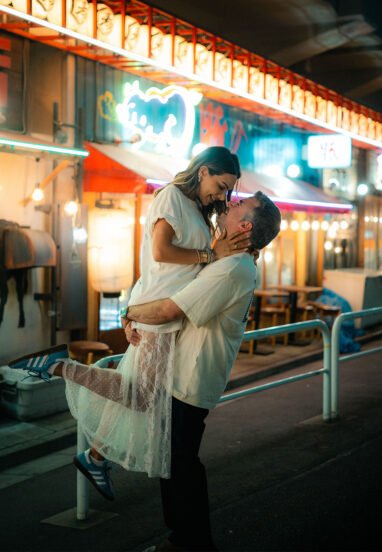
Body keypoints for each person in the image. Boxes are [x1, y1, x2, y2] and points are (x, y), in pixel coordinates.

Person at [8, 146, 249, 500]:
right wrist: (211, 254)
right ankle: (58, 366)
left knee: (140, 393)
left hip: (165, 310)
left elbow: (173, 269)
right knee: (141, 396)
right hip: (158, 313)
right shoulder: (170, 196)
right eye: (222, 184)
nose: (223, 194)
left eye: (229, 190)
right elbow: (161, 253)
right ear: (203, 171)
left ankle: (96, 457)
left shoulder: (198, 209)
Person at [122, 191, 281, 552]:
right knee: (173, 460)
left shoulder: (233, 269)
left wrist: (129, 312)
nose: (230, 202)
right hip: (181, 377)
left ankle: (193, 542)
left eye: (239, 205)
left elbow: (168, 310)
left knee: (181, 464)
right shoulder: (227, 262)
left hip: (190, 381)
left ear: (244, 226)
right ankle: (184, 538)